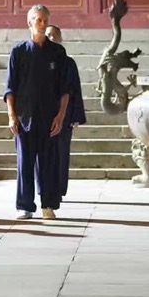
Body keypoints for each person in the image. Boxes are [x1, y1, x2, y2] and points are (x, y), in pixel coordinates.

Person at [4, 5, 70, 220]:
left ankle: (48, 205)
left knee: (49, 163)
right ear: (29, 22)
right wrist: (12, 116)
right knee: (25, 162)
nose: (41, 24)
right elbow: (10, 88)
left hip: (49, 117)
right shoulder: (19, 51)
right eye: (38, 20)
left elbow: (65, 90)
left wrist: (60, 116)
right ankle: (25, 205)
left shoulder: (57, 53)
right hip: (25, 117)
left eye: (44, 20)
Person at [46, 24, 86, 198]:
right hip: (42, 114)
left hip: (65, 114)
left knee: (62, 152)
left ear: (61, 38)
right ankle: (43, 188)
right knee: (42, 154)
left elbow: (75, 89)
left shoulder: (68, 63)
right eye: (49, 35)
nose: (52, 38)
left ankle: (60, 189)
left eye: (55, 35)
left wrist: (76, 116)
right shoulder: (36, 60)